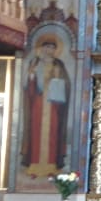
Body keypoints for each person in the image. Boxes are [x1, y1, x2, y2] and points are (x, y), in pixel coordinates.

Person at [21, 35, 69, 178]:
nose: (50, 50)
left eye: (53, 48)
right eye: (47, 47)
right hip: (39, 102)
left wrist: (58, 78)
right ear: (42, 48)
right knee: (36, 132)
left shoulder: (58, 64)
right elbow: (29, 85)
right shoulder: (35, 62)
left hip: (54, 104)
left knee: (53, 132)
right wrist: (31, 75)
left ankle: (51, 167)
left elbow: (66, 84)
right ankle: (34, 167)